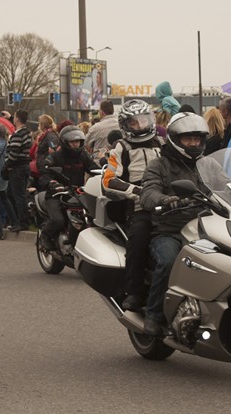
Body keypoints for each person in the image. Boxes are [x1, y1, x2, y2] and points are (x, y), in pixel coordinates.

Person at [140, 113, 213, 336]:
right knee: (169, 260)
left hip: (207, 228)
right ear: (174, 139)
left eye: (196, 139)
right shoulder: (159, 165)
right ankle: (153, 314)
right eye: (187, 139)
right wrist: (163, 200)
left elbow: (227, 186)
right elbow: (148, 191)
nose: (193, 143)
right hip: (170, 230)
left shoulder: (208, 165)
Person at [102, 99, 162, 312]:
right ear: (125, 126)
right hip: (139, 206)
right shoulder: (121, 147)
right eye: (134, 123)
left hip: (167, 202)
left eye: (143, 121)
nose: (140, 126)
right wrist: (136, 192)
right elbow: (109, 180)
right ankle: (134, 291)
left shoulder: (162, 144)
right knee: (138, 239)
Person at [38, 125, 99, 250]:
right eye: (72, 142)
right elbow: (44, 174)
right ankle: (44, 236)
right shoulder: (55, 157)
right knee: (58, 220)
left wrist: (104, 173)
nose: (76, 144)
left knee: (94, 217)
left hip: (77, 194)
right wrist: (52, 183)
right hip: (56, 195)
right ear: (65, 142)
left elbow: (94, 168)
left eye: (77, 141)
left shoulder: (83, 156)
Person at [5, 109, 33, 231]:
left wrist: (7, 164)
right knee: (18, 195)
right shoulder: (27, 133)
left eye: (15, 117)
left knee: (18, 196)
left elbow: (14, 153)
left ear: (17, 119)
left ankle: (22, 222)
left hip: (16, 168)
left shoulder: (17, 135)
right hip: (25, 166)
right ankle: (17, 221)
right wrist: (10, 117)